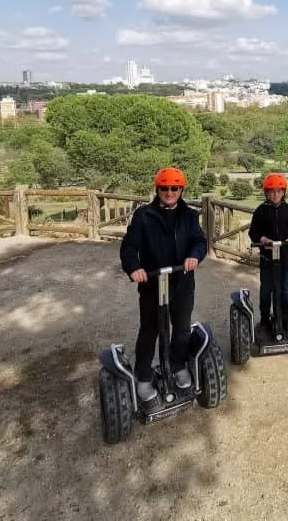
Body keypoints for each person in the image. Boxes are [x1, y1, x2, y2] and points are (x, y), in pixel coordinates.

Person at [120, 167, 207, 404]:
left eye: (174, 188)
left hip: (181, 281)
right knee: (150, 330)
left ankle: (178, 366)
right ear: (157, 189)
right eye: (164, 188)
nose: (169, 192)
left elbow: (200, 242)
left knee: (181, 329)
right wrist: (134, 268)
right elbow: (129, 246)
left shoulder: (190, 216)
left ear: (181, 190)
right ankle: (144, 376)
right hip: (151, 282)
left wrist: (194, 256)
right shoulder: (143, 215)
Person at [248, 173, 288, 333]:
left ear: (284, 192)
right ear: (266, 193)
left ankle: (284, 317)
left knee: (285, 288)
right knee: (267, 288)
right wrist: (262, 238)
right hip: (267, 257)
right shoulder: (261, 211)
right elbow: (253, 231)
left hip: (285, 256)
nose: (275, 195)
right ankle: (265, 318)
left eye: (279, 191)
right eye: (272, 192)